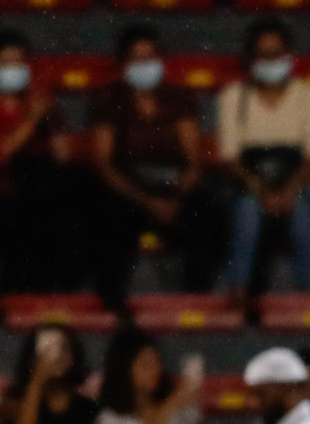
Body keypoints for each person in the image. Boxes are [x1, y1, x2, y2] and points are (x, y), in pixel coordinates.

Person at [89, 24, 218, 309]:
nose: (145, 64)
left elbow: (193, 160)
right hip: (128, 186)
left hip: (171, 185)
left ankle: (197, 304)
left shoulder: (178, 98)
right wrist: (148, 202)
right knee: (109, 218)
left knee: (206, 215)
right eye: (137, 58)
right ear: (123, 63)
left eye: (150, 57)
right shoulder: (109, 100)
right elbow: (103, 163)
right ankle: (112, 307)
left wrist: (175, 198)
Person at [0, 27, 90, 293]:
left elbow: (61, 155)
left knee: (71, 218)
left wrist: (51, 122)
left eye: (19, 61)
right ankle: (14, 303)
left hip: (37, 193)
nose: (15, 68)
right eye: (6, 62)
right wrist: (31, 119)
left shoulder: (36, 101)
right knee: (23, 230)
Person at [217, 18, 310, 297]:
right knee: (247, 215)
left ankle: (309, 298)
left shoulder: (307, 94)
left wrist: (288, 190)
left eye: (276, 54)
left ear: (289, 55)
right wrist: (263, 191)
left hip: (296, 179)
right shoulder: (233, 96)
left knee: (303, 214)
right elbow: (230, 158)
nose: (270, 61)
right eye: (263, 55)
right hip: (250, 180)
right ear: (250, 58)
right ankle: (238, 295)